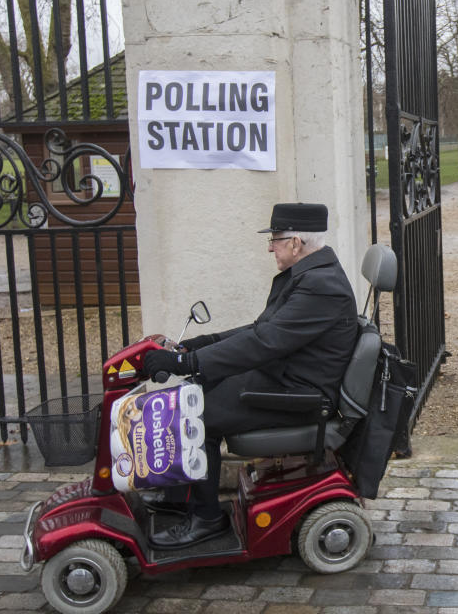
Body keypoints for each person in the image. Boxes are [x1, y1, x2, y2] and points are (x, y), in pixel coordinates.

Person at [142, 202, 358, 549]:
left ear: (296, 243)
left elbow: (264, 342)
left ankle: (207, 519)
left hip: (299, 395)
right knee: (192, 390)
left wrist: (189, 362)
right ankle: (179, 495)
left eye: (275, 239)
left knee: (195, 415)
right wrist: (200, 346)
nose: (271, 247)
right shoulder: (309, 275)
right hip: (283, 378)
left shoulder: (321, 286)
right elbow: (262, 330)